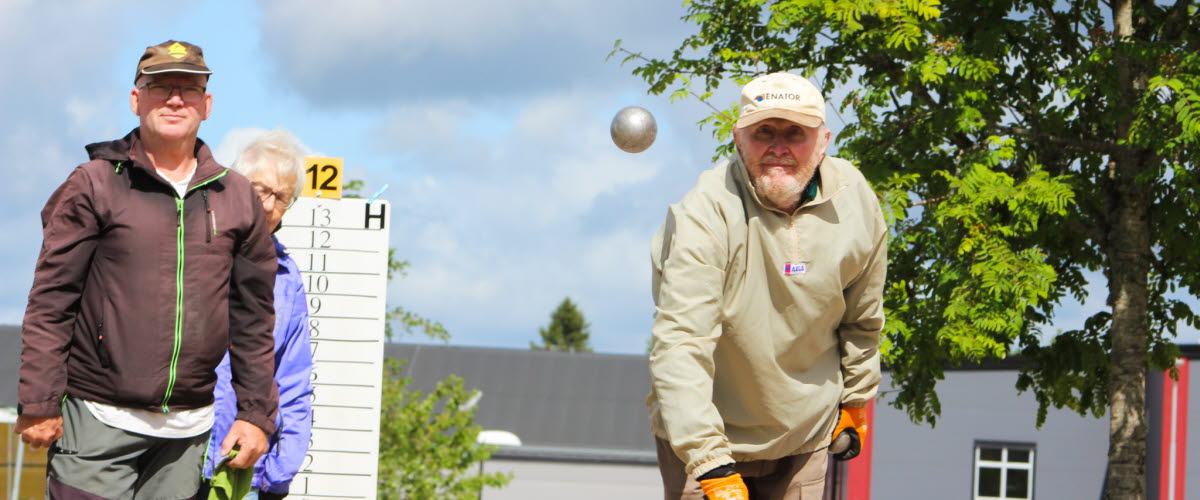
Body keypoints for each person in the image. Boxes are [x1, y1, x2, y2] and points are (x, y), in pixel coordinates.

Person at [15, 40, 279, 499]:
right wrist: (39, 400)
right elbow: (52, 299)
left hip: (187, 432)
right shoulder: (94, 183)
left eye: (189, 89)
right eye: (160, 87)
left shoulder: (237, 197)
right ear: (136, 99)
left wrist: (255, 414)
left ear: (207, 105)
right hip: (96, 420)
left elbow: (255, 319)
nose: (175, 99)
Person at [647, 72, 887, 499]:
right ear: (738, 139)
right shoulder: (704, 213)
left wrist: (854, 400)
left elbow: (862, 319)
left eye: (795, 132)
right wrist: (710, 463)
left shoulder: (856, 201)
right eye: (764, 132)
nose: (778, 147)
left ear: (824, 139)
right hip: (704, 435)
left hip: (803, 437)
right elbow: (682, 341)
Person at [202, 130, 314, 500]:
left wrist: (282, 467)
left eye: (281, 197)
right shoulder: (196, 250)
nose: (267, 205)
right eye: (259, 189)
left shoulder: (286, 277)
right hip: (176, 450)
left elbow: (293, 376)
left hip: (245, 465)